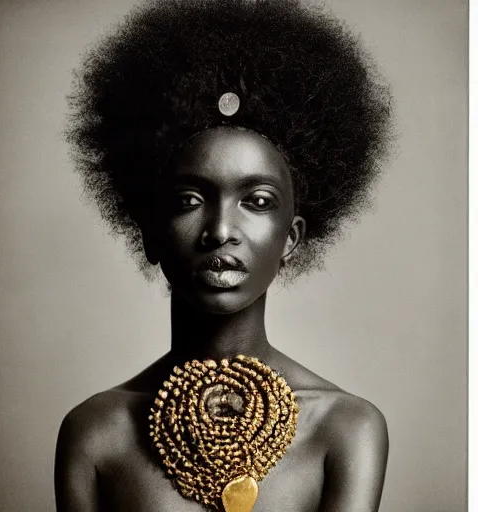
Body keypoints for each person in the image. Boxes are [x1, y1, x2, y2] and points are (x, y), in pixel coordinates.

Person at [55, 0, 393, 510]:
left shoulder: (345, 429)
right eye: (190, 200)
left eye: (256, 202)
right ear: (151, 233)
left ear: (291, 238)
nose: (219, 230)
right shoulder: (95, 432)